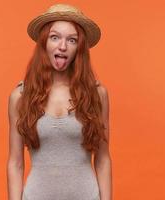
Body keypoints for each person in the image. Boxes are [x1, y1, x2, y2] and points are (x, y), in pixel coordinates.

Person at [7, 4, 112, 200]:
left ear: (79, 48)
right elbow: (15, 163)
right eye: (55, 37)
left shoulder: (97, 94)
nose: (62, 46)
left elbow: (103, 159)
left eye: (71, 40)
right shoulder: (21, 96)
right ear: (44, 42)